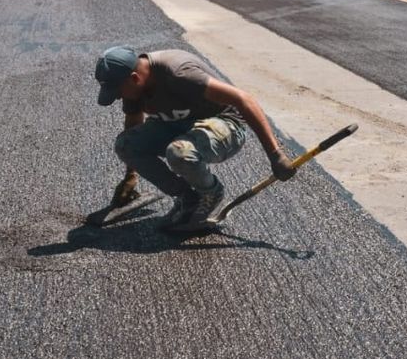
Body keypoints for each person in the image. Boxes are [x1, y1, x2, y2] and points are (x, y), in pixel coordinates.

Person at [95, 46, 296, 231]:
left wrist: (275, 155)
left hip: (225, 123)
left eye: (118, 92)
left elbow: (243, 100)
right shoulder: (134, 87)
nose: (119, 97)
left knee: (179, 152)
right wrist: (131, 175)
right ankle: (187, 198)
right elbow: (133, 122)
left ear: (134, 78)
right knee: (125, 145)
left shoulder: (179, 73)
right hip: (179, 124)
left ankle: (210, 193)